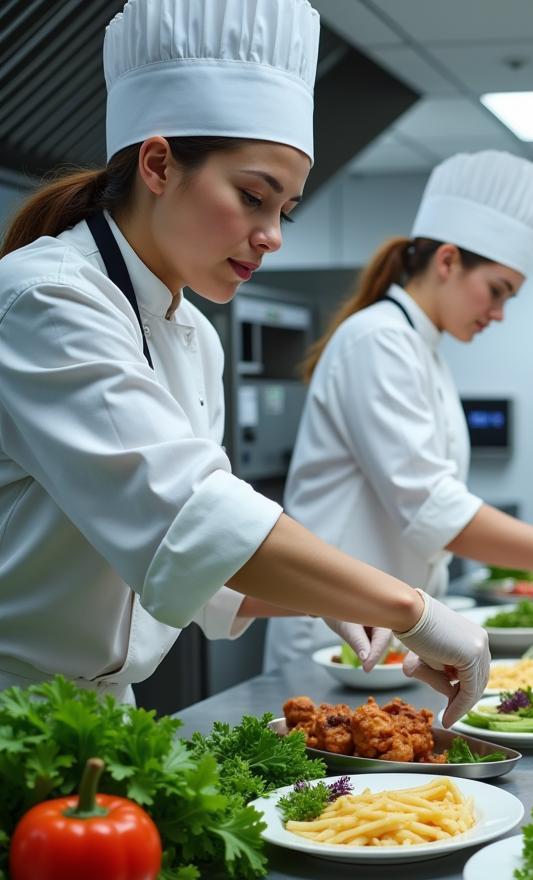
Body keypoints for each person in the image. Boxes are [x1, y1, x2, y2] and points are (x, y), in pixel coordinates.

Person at [0, 0, 489, 728]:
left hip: (103, 718)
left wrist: (335, 595)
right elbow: (193, 519)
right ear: (159, 164)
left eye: (285, 211)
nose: (272, 237)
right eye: (253, 197)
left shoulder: (194, 332)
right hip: (16, 711)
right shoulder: (46, 299)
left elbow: (200, 574)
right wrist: (407, 606)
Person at [264, 149, 533, 672]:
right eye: (497, 291)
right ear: (447, 262)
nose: (500, 313)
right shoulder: (378, 341)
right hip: (337, 639)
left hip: (389, 631)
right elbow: (434, 511)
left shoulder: (422, 349)